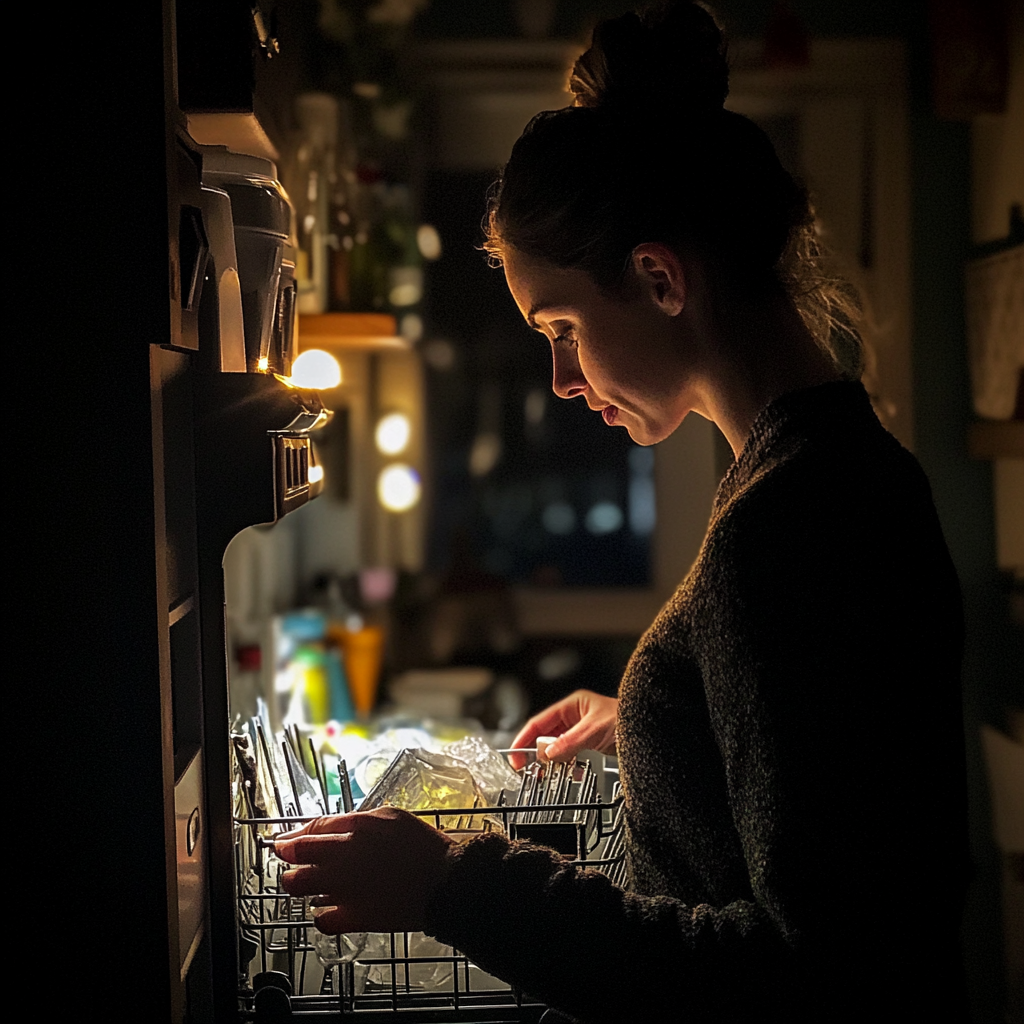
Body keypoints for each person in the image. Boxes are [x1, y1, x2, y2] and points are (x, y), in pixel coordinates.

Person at [275, 3, 968, 1020]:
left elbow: (812, 972)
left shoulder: (787, 522)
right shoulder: (827, 471)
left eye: (560, 326)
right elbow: (826, 781)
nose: (558, 379)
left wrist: (452, 882)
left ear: (656, 277)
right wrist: (655, 723)